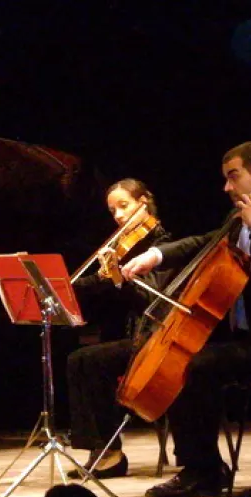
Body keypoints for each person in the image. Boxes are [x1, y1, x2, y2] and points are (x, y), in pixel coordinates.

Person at [122, 141, 251, 497]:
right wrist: (154, 255)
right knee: (183, 360)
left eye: (234, 177)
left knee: (194, 367)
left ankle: (202, 470)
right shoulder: (233, 221)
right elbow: (201, 242)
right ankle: (202, 466)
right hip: (243, 342)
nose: (226, 187)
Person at [66, 178, 173, 478]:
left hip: (156, 338)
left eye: (124, 206)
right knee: (81, 359)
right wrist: (63, 287)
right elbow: (97, 284)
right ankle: (101, 449)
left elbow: (149, 301)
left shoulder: (162, 245)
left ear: (143, 202)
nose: (118, 216)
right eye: (113, 210)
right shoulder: (127, 249)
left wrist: (117, 277)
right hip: (135, 336)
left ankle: (110, 453)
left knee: (87, 361)